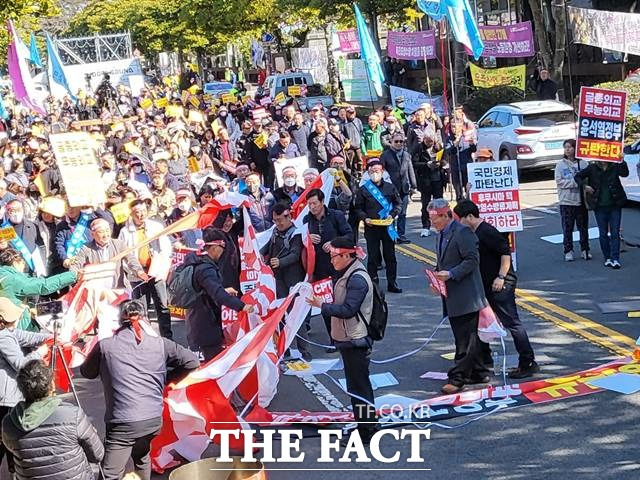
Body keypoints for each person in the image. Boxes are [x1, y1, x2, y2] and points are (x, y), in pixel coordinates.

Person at [81, 300, 199, 480]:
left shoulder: (105, 345)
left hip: (122, 423)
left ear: (120, 320)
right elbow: (192, 362)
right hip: (152, 419)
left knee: (110, 474)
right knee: (142, 457)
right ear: (143, 318)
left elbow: (87, 372)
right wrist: (165, 380)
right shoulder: (160, 343)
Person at [454, 200, 538, 379]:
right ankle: (485, 357)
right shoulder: (473, 232)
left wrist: (501, 277)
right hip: (485, 284)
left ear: (470, 217)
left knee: (511, 322)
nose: (459, 222)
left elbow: (505, 254)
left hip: (501, 284)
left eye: (460, 218)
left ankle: (528, 362)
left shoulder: (487, 232)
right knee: (481, 321)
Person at [307, 237, 378, 445]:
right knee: (358, 387)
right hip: (350, 339)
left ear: (347, 255)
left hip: (356, 340)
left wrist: (322, 306)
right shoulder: (348, 272)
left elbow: (348, 310)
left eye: (335, 257)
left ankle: (366, 431)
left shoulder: (356, 278)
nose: (332, 261)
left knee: (360, 388)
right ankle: (367, 424)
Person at [2, 359, 104, 480]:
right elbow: (97, 455)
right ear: (51, 386)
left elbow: (12, 448)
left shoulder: (9, 423)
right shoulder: (73, 415)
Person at [428, 198, 489, 394]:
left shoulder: (463, 233)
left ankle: (458, 378)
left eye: (434, 219)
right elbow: (443, 263)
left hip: (467, 295)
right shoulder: (440, 234)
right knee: (465, 335)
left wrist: (451, 274)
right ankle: (478, 371)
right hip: (452, 294)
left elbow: (472, 260)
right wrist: (437, 279)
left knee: (464, 339)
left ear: (446, 216)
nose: (432, 223)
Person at [181, 228, 254, 360]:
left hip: (195, 319)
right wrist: (242, 306)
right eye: (222, 247)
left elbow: (203, 289)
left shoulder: (196, 262)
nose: (223, 252)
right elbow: (217, 294)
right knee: (214, 364)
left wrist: (224, 291)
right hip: (206, 324)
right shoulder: (206, 269)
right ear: (214, 247)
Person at [0, 298, 52, 476]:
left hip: (9, 396)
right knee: (9, 439)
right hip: (6, 398)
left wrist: (48, 337)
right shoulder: (3, 336)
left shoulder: (8, 331)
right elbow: (21, 364)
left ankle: (14, 472)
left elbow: (25, 336)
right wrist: (40, 352)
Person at [261, 203, 311, 360]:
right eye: (275, 220)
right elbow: (268, 247)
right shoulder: (275, 231)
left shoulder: (296, 233)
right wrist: (260, 254)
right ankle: (284, 346)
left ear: (289, 216)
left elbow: (295, 254)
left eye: (281, 220)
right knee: (280, 314)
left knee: (296, 315)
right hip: (278, 279)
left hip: (294, 279)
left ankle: (304, 349)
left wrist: (280, 262)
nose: (278, 223)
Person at [304, 189, 353, 344]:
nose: (312, 207)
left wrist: (333, 243)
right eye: (309, 204)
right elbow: (299, 241)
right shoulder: (306, 220)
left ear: (322, 202)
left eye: (315, 203)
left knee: (340, 300)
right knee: (324, 302)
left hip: (338, 266)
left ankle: (345, 333)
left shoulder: (336, 215)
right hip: (318, 268)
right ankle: (333, 337)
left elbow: (349, 235)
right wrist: (307, 238)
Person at [118, 199, 173, 338]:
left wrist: (161, 266)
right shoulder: (125, 231)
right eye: (137, 213)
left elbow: (166, 248)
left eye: (143, 211)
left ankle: (167, 337)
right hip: (137, 274)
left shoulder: (156, 226)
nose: (141, 215)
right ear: (131, 214)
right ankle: (145, 337)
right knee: (141, 308)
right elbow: (123, 254)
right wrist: (134, 271)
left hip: (156, 271)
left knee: (162, 305)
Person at [0, 248, 78, 331]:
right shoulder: (14, 279)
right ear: (16, 262)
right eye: (23, 263)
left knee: (56, 307)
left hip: (11, 315)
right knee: (62, 307)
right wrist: (74, 275)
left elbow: (36, 281)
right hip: (15, 324)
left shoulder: (4, 274)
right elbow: (44, 286)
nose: (23, 267)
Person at [354, 160, 402, 293]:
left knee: (390, 256)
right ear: (368, 173)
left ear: (382, 172)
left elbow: (398, 204)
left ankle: (392, 283)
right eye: (372, 171)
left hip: (387, 226)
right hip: (371, 227)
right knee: (373, 256)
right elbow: (358, 208)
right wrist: (365, 218)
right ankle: (374, 284)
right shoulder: (363, 190)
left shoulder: (390, 187)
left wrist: (392, 215)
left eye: (377, 171)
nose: (375, 174)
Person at [575, 159, 629, 269]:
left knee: (615, 233)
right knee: (603, 233)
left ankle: (615, 258)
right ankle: (607, 257)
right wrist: (585, 186)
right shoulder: (592, 168)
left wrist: (622, 161)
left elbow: (625, 173)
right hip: (599, 206)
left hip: (614, 204)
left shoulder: (614, 166)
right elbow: (577, 176)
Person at [72, 218, 147, 290]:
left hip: (118, 288)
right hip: (98, 291)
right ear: (92, 234)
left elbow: (130, 259)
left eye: (107, 231)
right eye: (101, 232)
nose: (105, 235)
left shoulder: (119, 244)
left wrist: (138, 271)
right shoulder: (86, 248)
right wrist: (75, 273)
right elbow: (76, 264)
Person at [555, 139, 591, 262]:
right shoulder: (560, 165)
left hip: (581, 201)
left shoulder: (584, 164)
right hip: (566, 201)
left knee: (583, 227)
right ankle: (568, 250)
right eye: (566, 147)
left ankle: (585, 249)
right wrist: (575, 183)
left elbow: (588, 179)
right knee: (567, 228)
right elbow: (559, 182)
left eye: (570, 147)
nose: (568, 149)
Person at [380, 133, 416, 244]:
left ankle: (401, 235)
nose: (399, 143)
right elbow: (382, 171)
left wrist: (414, 185)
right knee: (391, 212)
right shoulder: (385, 155)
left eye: (401, 141)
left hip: (404, 188)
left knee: (403, 213)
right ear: (391, 142)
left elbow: (410, 170)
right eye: (396, 141)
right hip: (390, 189)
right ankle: (392, 235)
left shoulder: (406, 155)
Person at [413, 134, 445, 238]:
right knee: (426, 204)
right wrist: (426, 164)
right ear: (424, 140)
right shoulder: (419, 148)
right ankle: (425, 226)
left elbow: (445, 160)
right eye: (428, 141)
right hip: (425, 180)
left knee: (439, 204)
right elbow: (414, 163)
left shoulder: (438, 147)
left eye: (432, 141)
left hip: (438, 179)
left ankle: (441, 226)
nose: (430, 143)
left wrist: (440, 163)